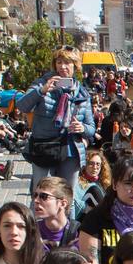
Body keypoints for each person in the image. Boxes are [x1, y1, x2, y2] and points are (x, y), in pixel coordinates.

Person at [19, 50, 95, 187]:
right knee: (42, 193)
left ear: (75, 66)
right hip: (45, 148)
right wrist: (42, 91)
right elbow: (22, 106)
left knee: (67, 197)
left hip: (71, 149)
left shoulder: (82, 92)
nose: (62, 66)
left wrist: (82, 128)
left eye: (67, 63)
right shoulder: (42, 83)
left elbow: (91, 128)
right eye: (59, 62)